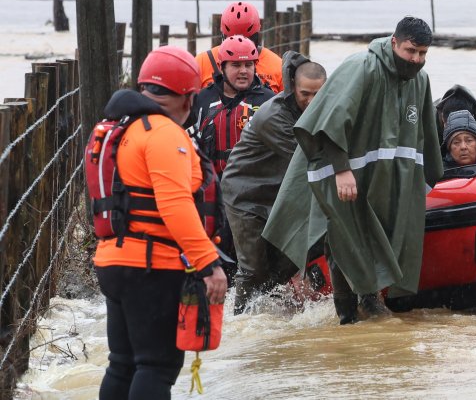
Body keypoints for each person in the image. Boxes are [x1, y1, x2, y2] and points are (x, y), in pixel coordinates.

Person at [268, 16, 443, 325]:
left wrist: (427, 179)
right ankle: (350, 315)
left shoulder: (421, 80)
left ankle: (360, 311)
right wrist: (341, 170)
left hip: (385, 178)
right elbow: (327, 121)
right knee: (344, 236)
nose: (416, 59)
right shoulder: (361, 67)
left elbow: (423, 135)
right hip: (339, 170)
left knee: (382, 237)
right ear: (394, 43)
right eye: (411, 51)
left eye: (422, 53)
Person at [92, 46, 226, 399]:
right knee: (157, 366)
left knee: (122, 364)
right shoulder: (164, 133)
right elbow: (176, 205)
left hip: (113, 261)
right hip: (151, 265)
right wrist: (209, 263)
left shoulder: (119, 128)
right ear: (189, 97)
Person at [220, 52, 327, 313]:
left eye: (318, 95)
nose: (312, 102)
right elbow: (308, 160)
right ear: (293, 88)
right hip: (245, 193)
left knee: (290, 258)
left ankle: (268, 314)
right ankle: (239, 319)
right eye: (305, 94)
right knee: (253, 268)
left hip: (278, 193)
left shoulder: (321, 109)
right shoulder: (274, 115)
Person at [193, 35, 275, 278]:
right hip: (212, 197)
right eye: (236, 65)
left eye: (249, 65)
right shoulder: (201, 100)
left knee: (257, 270)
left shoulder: (269, 102)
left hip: (254, 198)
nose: (244, 71)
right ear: (222, 68)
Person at [195, 1, 283, 92]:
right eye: (232, 42)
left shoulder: (278, 66)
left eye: (247, 42)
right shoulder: (201, 63)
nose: (240, 48)